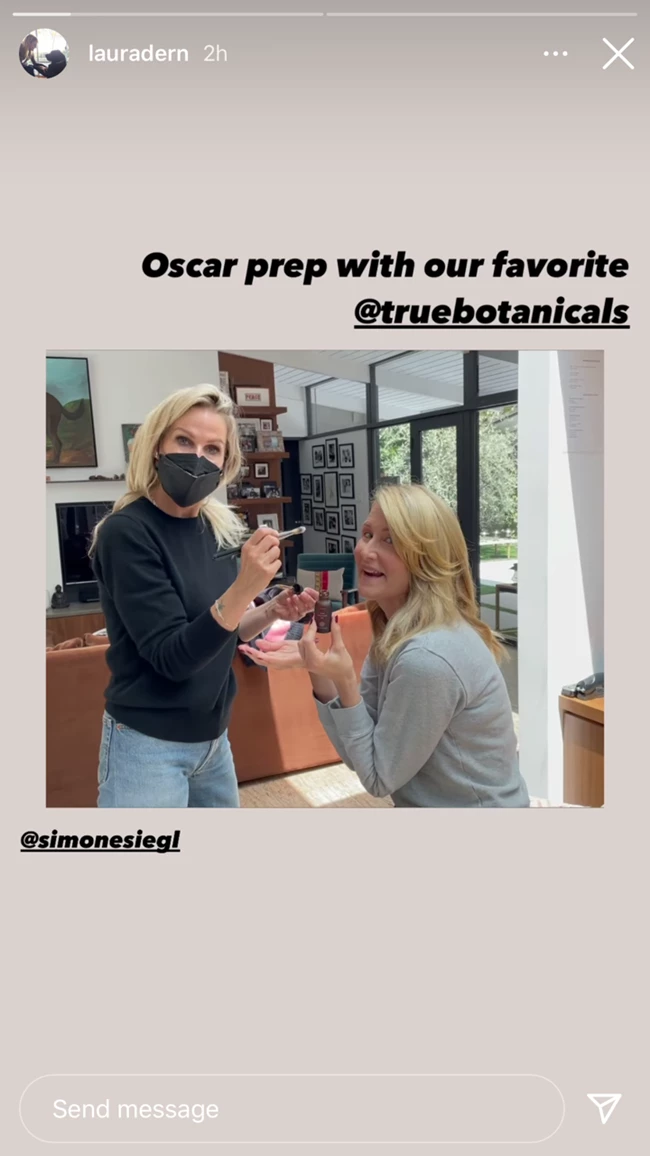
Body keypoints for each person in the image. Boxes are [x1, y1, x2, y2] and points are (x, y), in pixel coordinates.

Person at [90, 383, 318, 808]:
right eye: (183, 440)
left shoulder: (220, 528)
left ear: (225, 463)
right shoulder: (126, 533)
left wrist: (270, 610)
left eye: (213, 448)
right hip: (147, 747)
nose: (197, 457)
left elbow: (225, 632)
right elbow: (173, 658)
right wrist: (246, 585)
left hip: (213, 741)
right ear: (156, 447)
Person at [240, 484, 529, 808]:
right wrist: (317, 667)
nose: (366, 550)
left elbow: (378, 778)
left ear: (426, 559)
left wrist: (345, 680)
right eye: (367, 534)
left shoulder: (427, 657)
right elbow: (361, 753)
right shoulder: (395, 629)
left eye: (390, 540)